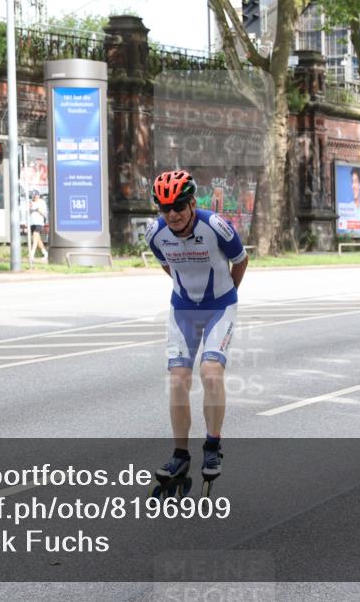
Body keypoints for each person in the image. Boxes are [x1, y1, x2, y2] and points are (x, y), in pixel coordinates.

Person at [146, 169, 249, 492]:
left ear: (192, 203)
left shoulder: (216, 225)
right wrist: (186, 290)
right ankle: (179, 453)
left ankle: (212, 445)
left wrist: (226, 296)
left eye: (178, 205)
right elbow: (167, 264)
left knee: (211, 371)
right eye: (165, 208)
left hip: (220, 305)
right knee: (177, 378)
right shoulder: (154, 233)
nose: (172, 214)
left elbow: (241, 261)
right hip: (183, 309)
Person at [29, 191, 48, 260]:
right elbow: (29, 212)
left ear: (38, 196)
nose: (34, 197)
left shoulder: (42, 202)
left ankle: (32, 254)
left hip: (39, 222)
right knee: (38, 239)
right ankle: (45, 253)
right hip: (32, 222)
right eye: (33, 196)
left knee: (35, 237)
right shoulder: (31, 202)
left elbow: (44, 214)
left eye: (35, 196)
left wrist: (38, 210)